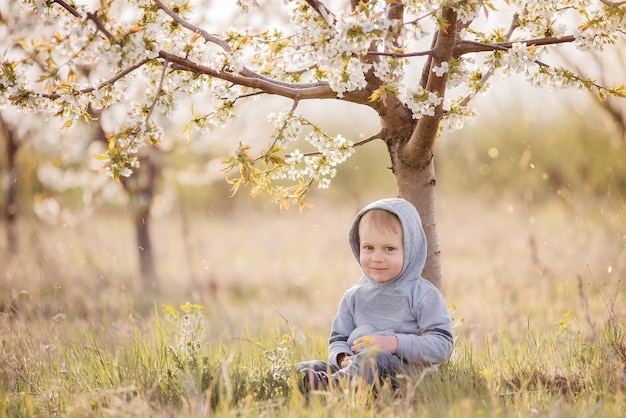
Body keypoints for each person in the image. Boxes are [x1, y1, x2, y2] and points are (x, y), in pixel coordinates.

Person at [298, 198, 454, 393]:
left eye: (389, 249)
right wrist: (342, 358)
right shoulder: (354, 296)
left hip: (405, 372)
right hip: (356, 365)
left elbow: (442, 345)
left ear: (410, 249)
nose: (377, 258)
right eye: (369, 248)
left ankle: (331, 389)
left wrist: (394, 344)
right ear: (358, 246)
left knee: (373, 358)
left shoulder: (422, 294)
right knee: (307, 367)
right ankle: (307, 382)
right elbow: (338, 338)